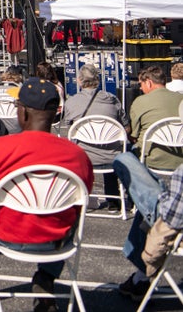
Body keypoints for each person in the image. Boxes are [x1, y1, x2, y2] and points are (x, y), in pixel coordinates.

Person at [0, 77, 93, 309]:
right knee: (71, 218)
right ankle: (45, 280)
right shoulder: (78, 156)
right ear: (55, 114)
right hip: (55, 239)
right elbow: (80, 203)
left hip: (6, 235)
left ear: (21, 113)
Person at [111, 155, 183, 300]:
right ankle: (139, 279)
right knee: (146, 208)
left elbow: (173, 219)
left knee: (125, 159)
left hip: (175, 227)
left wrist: (162, 199)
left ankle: (141, 278)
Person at [63, 63, 130, 208]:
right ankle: (114, 200)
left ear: (80, 80)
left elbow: (69, 128)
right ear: (97, 80)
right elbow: (126, 128)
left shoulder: (72, 102)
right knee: (111, 143)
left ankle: (81, 196)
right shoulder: (112, 100)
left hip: (84, 156)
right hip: (112, 156)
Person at [130, 65, 183, 173]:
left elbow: (134, 136)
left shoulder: (140, 101)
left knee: (124, 154)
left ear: (148, 82)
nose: (140, 88)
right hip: (180, 158)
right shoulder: (180, 99)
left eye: (141, 84)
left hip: (151, 158)